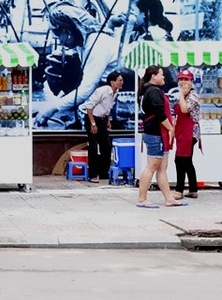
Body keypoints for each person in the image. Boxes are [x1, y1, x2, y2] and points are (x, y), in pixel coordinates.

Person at [34, 2, 120, 128]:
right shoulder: (82, 45)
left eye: (59, 36)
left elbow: (86, 89)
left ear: (68, 31)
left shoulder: (97, 44)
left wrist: (52, 108)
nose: (60, 41)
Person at [136, 65, 187, 208]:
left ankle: (169, 198)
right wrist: (171, 128)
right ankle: (142, 198)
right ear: (153, 76)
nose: (164, 77)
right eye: (161, 74)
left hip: (156, 133)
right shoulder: (153, 91)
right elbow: (159, 113)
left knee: (162, 167)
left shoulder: (149, 90)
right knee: (152, 166)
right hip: (155, 134)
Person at [79, 70, 124, 183]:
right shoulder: (102, 91)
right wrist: (93, 124)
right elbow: (89, 107)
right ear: (112, 82)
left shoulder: (115, 92)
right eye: (120, 80)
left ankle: (104, 172)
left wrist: (107, 120)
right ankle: (93, 174)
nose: (122, 82)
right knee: (93, 146)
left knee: (106, 145)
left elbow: (108, 108)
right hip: (92, 118)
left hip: (102, 119)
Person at [172, 69, 201, 199]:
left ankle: (179, 190)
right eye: (181, 79)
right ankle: (193, 189)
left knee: (180, 160)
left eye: (186, 79)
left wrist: (182, 96)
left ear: (191, 81)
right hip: (181, 130)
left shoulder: (193, 95)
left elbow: (184, 110)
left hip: (190, 132)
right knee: (187, 161)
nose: (183, 82)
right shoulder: (179, 94)